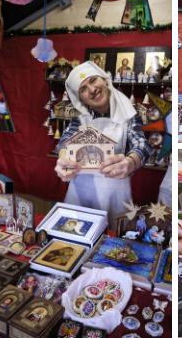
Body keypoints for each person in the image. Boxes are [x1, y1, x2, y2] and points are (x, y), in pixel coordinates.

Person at [54, 61, 152, 226]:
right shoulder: (80, 117)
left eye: (93, 80)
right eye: (83, 89)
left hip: (114, 193)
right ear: (80, 98)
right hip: (79, 194)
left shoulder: (128, 111)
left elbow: (141, 144)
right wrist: (64, 159)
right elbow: (65, 141)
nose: (92, 90)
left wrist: (131, 162)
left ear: (105, 80)